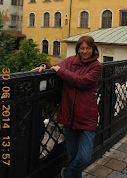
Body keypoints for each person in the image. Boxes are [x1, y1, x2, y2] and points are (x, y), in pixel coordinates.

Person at [34, 36, 103, 178]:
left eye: (88, 48)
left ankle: (67, 174)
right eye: (82, 48)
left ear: (93, 49)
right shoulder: (71, 61)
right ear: (78, 49)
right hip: (69, 116)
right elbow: (56, 67)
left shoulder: (97, 66)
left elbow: (82, 81)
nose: (85, 51)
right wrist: (43, 66)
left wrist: (62, 72)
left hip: (86, 117)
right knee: (72, 156)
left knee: (84, 158)